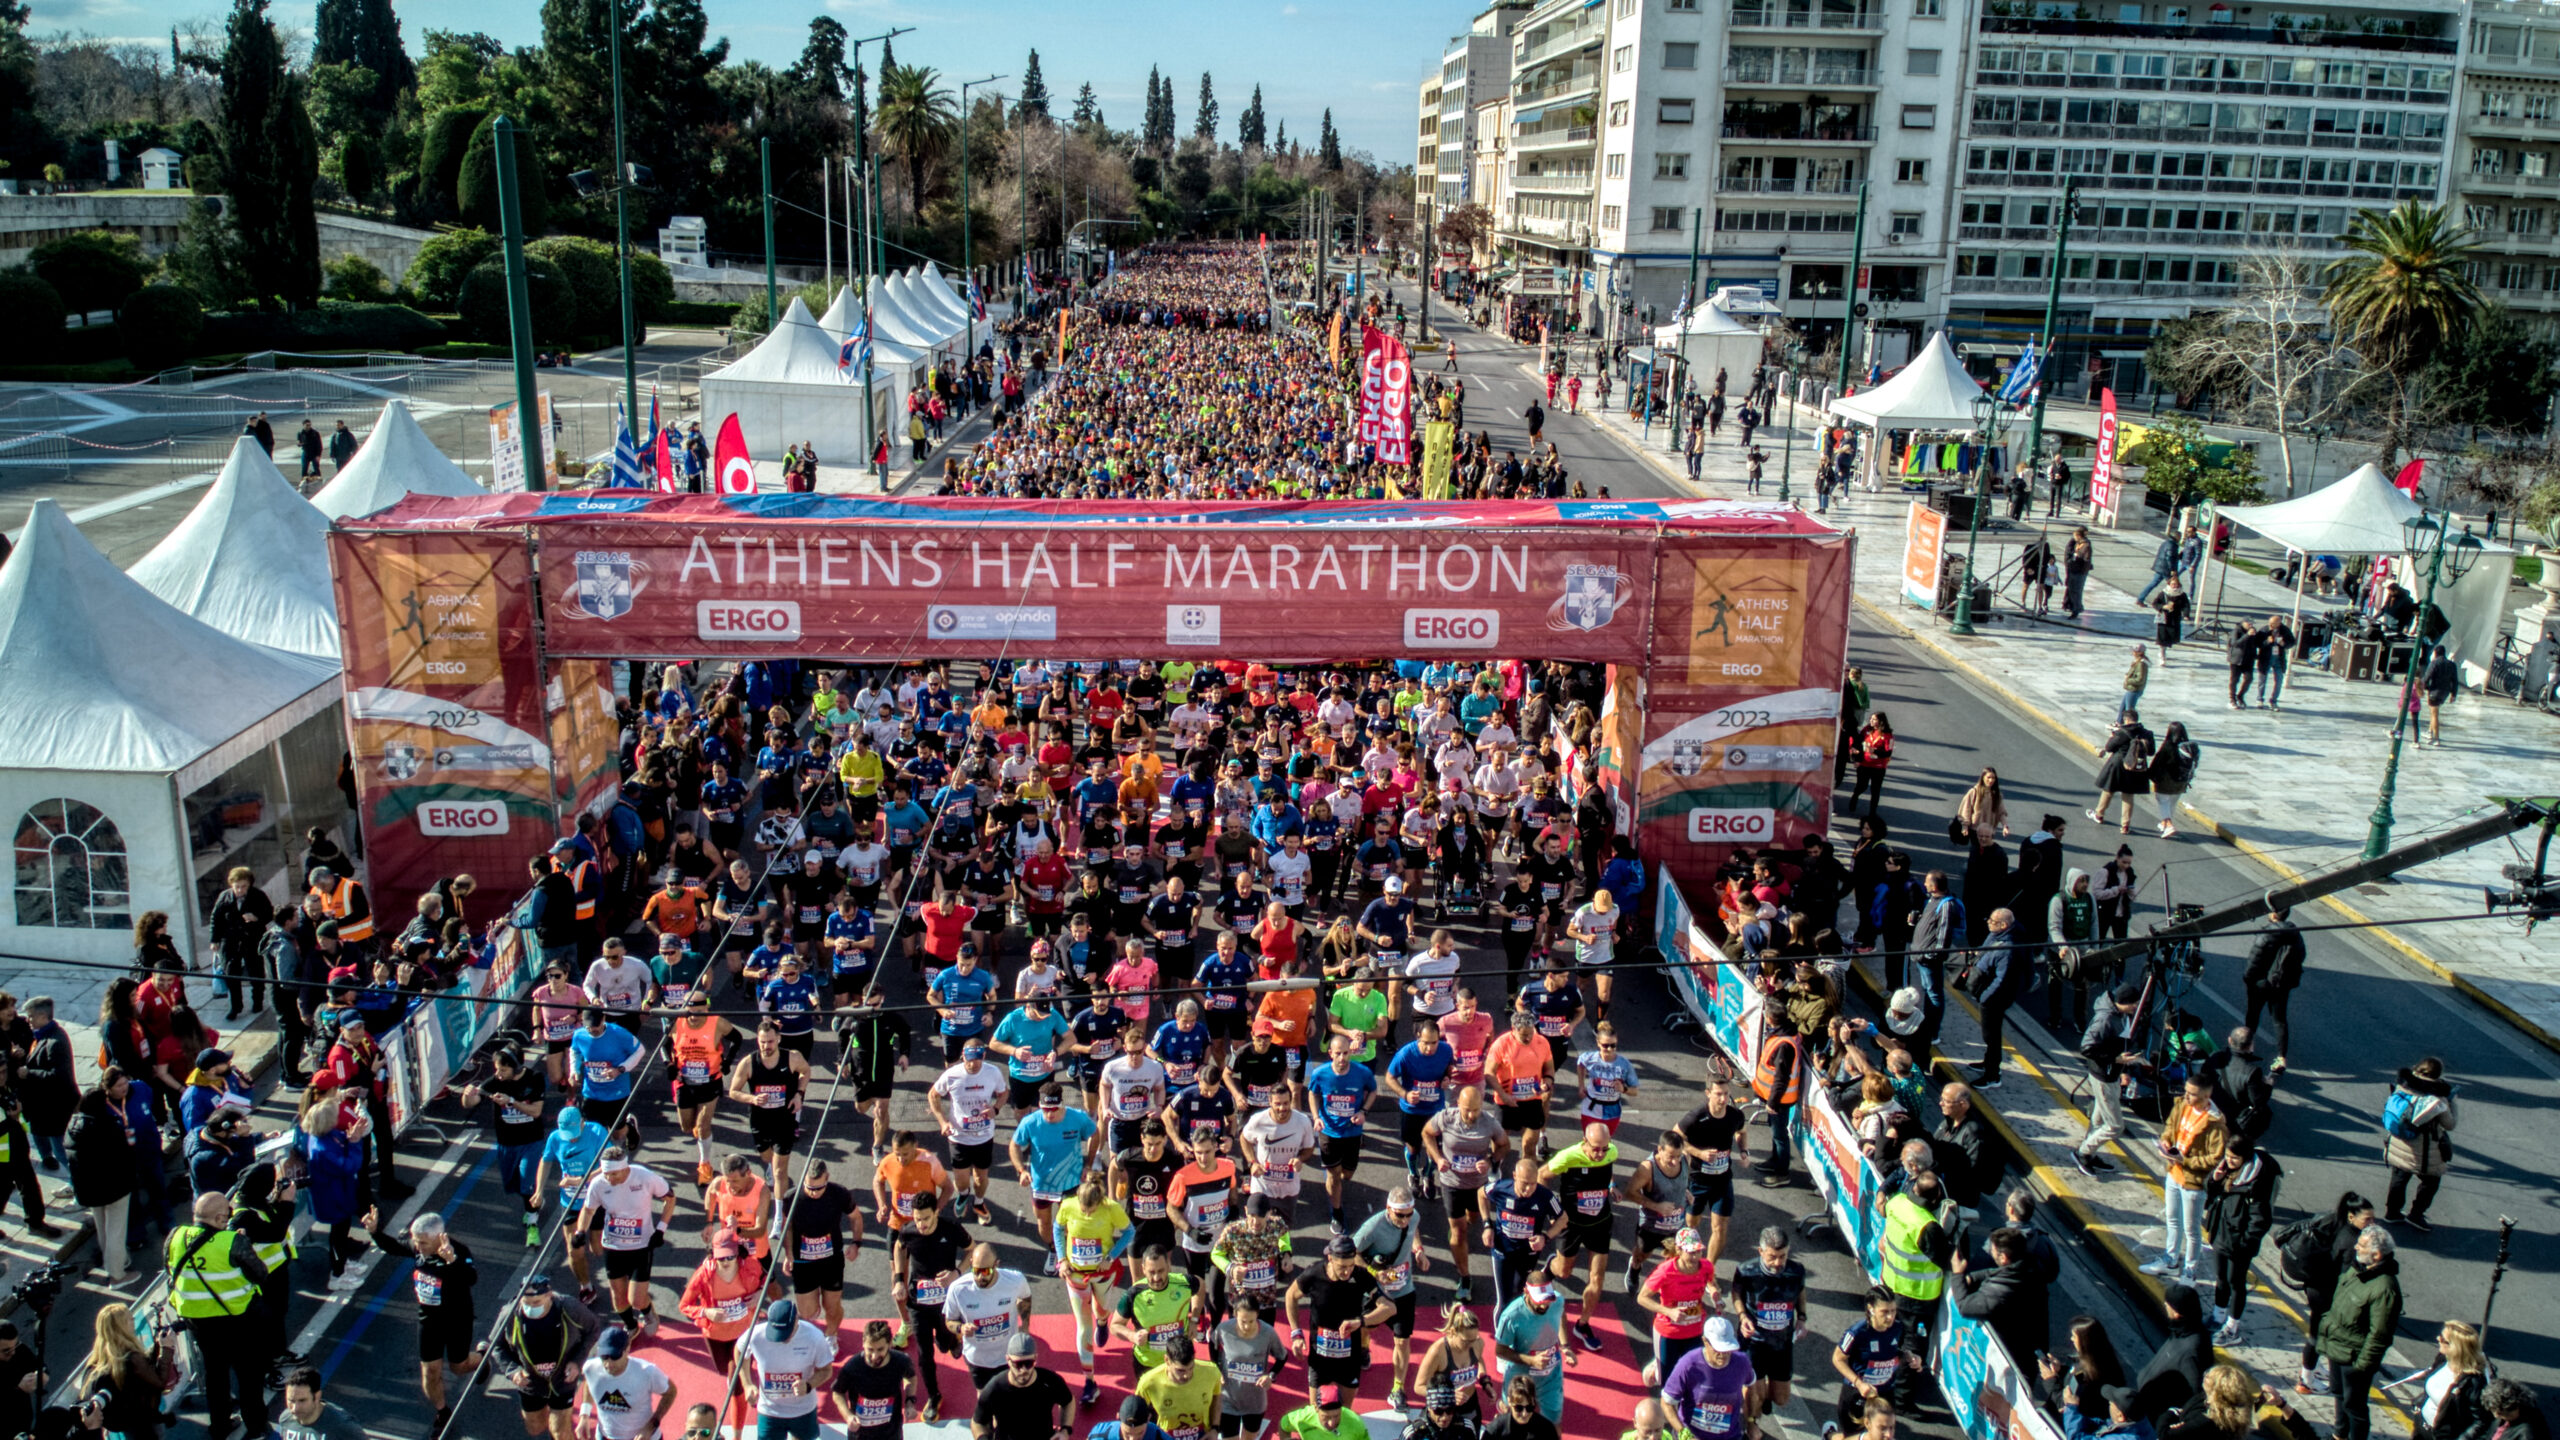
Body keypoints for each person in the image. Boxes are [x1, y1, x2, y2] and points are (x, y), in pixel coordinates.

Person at [165, 1188, 275, 1440]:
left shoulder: (175, 1236)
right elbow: (260, 1274)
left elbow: (169, 1272)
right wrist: (244, 1243)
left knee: (215, 1373)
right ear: (218, 1218)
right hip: (237, 1320)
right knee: (248, 1375)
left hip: (198, 1321)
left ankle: (220, 1425)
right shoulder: (232, 1242)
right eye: (227, 1215)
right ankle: (256, 1426)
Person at [364, 1208, 485, 1429]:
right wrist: (375, 1232)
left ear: (439, 1238)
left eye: (423, 1243)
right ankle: (443, 1412)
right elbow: (395, 1247)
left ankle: (482, 1358)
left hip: (457, 1319)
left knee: (458, 1367)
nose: (418, 1247)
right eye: (416, 1242)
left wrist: (452, 1261)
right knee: (430, 1372)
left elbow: (471, 1279)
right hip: (429, 1320)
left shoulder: (459, 1251)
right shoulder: (419, 1249)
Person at [2140, 1075, 2227, 1284]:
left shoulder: (2214, 1123)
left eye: (2192, 1094)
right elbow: (2171, 1127)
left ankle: (2190, 1271)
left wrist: (2185, 1160)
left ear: (2206, 1096)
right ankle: (2170, 1261)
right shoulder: (2181, 1105)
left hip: (2193, 1183)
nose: (2186, 1096)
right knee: (2172, 1219)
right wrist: (2165, 1142)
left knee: (2191, 1229)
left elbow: (2215, 1158)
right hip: (2174, 1173)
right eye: (2186, 1091)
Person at [2204, 1136, 2280, 1345]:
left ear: (2245, 1158)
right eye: (2227, 1156)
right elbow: (2211, 1193)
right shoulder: (2225, 1170)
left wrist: (2245, 1243)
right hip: (2221, 1234)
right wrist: (2215, 1179)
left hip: (2238, 1243)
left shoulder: (2257, 1182)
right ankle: (2218, 1316)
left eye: (2234, 1158)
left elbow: (2260, 1219)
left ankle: (2232, 1328)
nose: (2229, 1161)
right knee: (2221, 1278)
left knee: (2236, 1283)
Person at [1490, 1257, 1576, 1425]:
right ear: (1526, 1292)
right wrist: (1531, 1361)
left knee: (1553, 1422)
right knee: (1512, 1420)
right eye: (1539, 1301)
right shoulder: (1511, 1316)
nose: (1544, 1306)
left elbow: (1561, 1315)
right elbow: (1500, 1350)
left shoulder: (1557, 1301)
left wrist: (1565, 1346)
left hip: (1551, 1376)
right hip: (1520, 1377)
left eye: (1547, 1300)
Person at [1953, 1226, 2051, 1371]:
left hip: (2008, 1361)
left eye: (1992, 1250)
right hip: (2028, 1350)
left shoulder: (2001, 1291)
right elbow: (1997, 1273)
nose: (1990, 1252)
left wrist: (1957, 1275)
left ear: (2003, 1257)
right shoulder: (2028, 1267)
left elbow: (1965, 1307)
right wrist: (1972, 1278)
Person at [2383, 1057, 2457, 1232]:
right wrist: (2453, 1103)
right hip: (2425, 1150)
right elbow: (2450, 1124)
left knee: (2399, 1178)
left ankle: (2392, 1212)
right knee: (2431, 1181)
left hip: (2398, 1143)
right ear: (2438, 1075)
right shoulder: (2437, 1099)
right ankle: (2416, 1214)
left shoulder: (2403, 1086)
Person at [748, 1299, 838, 1440]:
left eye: (786, 1332)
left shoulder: (814, 1337)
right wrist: (747, 1384)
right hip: (769, 1410)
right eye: (777, 1332)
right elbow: (739, 1350)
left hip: (803, 1410)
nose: (782, 1338)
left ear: (796, 1320)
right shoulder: (756, 1334)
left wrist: (808, 1385)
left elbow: (826, 1370)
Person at [80, 1304, 170, 1440]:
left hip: (126, 1424)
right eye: (129, 1319)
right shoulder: (132, 1357)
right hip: (145, 1423)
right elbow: (159, 1382)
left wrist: (157, 1347)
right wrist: (167, 1349)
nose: (133, 1321)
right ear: (121, 1327)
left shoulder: (98, 1360)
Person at [1663, 1316, 1755, 1440]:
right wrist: (1684, 1434)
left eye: (1727, 1348)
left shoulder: (1742, 1363)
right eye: (1718, 1348)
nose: (1723, 1354)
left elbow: (1751, 1388)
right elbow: (1666, 1402)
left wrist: (1751, 1422)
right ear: (1705, 1341)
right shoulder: (1688, 1364)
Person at [580, 1326, 676, 1440]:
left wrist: (651, 1426)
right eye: (604, 1357)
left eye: (615, 1356)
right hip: (605, 1436)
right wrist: (584, 1414)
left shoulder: (647, 1372)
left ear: (627, 1349)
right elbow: (590, 1381)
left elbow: (670, 1392)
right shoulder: (591, 1368)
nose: (608, 1363)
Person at [973, 1331, 1074, 1440]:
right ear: (1008, 1360)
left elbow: (1068, 1402)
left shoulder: (1050, 1381)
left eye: (1028, 1363)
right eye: (1018, 1364)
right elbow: (977, 1423)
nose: (1023, 1370)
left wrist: (1065, 1430)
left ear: (1036, 1358)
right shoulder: (995, 1388)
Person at [278, 1367, 367, 1440]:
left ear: (317, 1396)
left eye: (302, 1400)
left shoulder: (342, 1425)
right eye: (291, 1401)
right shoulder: (285, 1419)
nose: (295, 1409)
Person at [2420, 645, 2458, 746]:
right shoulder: (2451, 664)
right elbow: (2455, 681)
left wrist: (2421, 687)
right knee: (2434, 712)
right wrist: (2454, 694)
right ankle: (2430, 731)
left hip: (2434, 691)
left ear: (2435, 652)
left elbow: (2427, 677)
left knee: (2434, 714)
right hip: (2445, 692)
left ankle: (2436, 738)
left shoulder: (2434, 663)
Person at [2151, 576, 2192, 661]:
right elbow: (2155, 603)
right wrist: (2163, 606)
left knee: (2170, 637)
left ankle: (2164, 650)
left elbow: (2186, 605)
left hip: (2175, 618)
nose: (2174, 586)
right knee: (2163, 636)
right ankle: (2162, 653)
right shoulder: (2164, 593)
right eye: (2173, 584)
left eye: (2176, 584)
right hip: (2164, 618)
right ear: (2169, 584)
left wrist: (2186, 614)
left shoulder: (2182, 595)